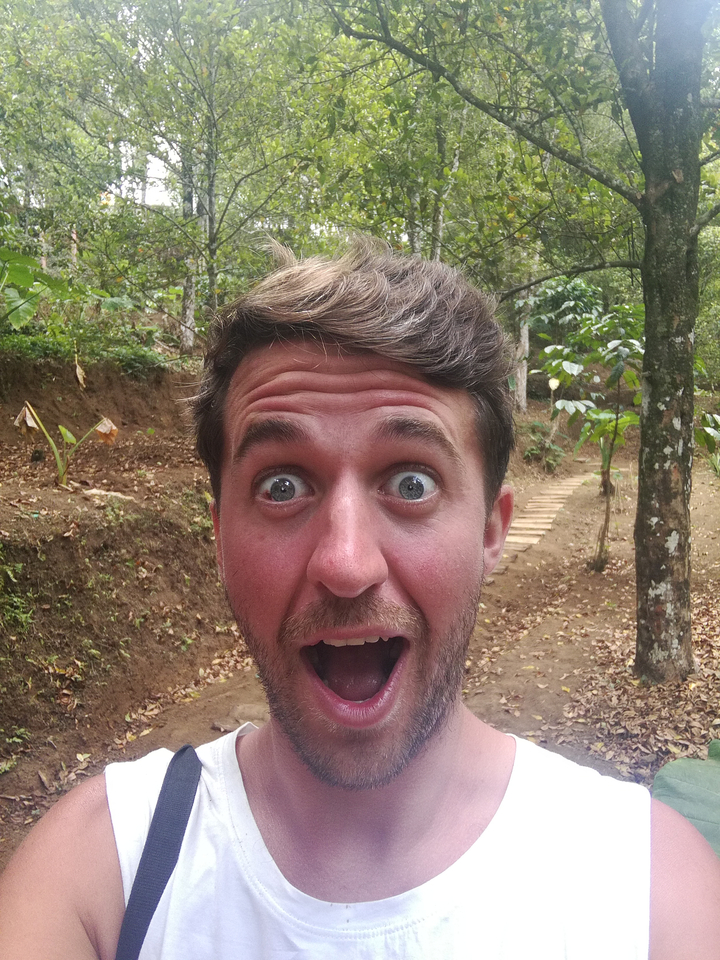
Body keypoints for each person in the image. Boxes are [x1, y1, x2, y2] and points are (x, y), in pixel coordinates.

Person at [0, 238, 719, 960]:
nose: (345, 565)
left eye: (412, 483)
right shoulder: (101, 878)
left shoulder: (651, 893)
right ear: (220, 537)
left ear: (490, 531)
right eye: (282, 485)